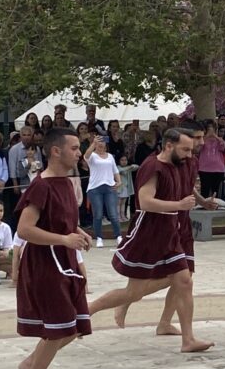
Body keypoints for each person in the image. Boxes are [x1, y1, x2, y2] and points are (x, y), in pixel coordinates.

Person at [89, 129, 213, 353]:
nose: (189, 153)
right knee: (133, 292)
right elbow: (145, 202)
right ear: (168, 146)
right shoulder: (152, 166)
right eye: (184, 149)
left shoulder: (177, 165)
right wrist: (179, 206)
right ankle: (88, 311)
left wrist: (196, 203)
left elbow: (184, 190)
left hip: (170, 232)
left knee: (184, 281)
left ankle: (188, 339)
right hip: (148, 233)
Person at [10, 127, 91, 369]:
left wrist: (77, 232)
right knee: (58, 327)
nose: (79, 153)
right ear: (56, 151)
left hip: (64, 260)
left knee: (74, 326)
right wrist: (64, 239)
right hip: (46, 263)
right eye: (75, 148)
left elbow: (63, 220)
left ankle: (33, 362)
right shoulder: (41, 186)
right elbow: (24, 230)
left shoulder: (66, 182)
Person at [82, 133, 122, 248]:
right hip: (95, 188)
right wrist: (93, 143)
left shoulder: (110, 156)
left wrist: (118, 181)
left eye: (102, 141)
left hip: (109, 186)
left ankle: (118, 236)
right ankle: (99, 237)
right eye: (98, 142)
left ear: (106, 144)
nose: (101, 144)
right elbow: (86, 156)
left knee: (113, 214)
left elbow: (115, 170)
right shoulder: (93, 156)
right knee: (98, 214)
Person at [197, 121, 225, 198]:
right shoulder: (202, 139)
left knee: (216, 191)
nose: (210, 129)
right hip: (204, 168)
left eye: (212, 128)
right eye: (209, 128)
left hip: (218, 169)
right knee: (205, 189)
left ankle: (215, 205)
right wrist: (207, 136)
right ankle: (203, 205)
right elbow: (198, 148)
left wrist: (215, 136)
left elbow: (223, 147)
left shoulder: (219, 139)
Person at [117, 155, 138, 222]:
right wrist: (129, 167)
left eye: (125, 160)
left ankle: (122, 215)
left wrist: (130, 166)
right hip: (119, 188)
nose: (124, 161)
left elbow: (137, 166)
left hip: (126, 188)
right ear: (119, 161)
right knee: (118, 203)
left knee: (123, 203)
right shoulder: (117, 167)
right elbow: (120, 170)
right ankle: (118, 216)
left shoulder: (128, 168)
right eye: (122, 160)